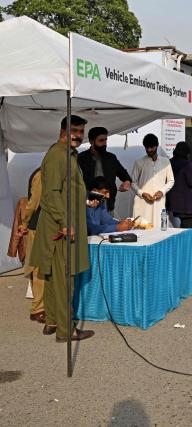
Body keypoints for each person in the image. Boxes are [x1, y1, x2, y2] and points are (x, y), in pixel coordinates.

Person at [29, 115, 94, 342]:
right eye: (74, 130)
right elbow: (51, 194)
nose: (78, 135)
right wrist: (65, 222)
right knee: (64, 279)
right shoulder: (58, 155)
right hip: (61, 227)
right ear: (63, 130)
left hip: (59, 225)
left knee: (52, 276)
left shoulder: (67, 154)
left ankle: (52, 321)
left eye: (80, 131)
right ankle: (66, 331)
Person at [77, 127, 132, 214]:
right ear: (91, 141)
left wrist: (127, 182)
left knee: (109, 226)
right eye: (101, 140)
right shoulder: (81, 158)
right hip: (88, 206)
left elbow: (124, 174)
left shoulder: (111, 158)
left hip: (108, 205)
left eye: (106, 140)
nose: (105, 143)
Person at [166, 141, 192, 258]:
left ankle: (186, 251)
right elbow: (191, 182)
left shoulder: (170, 162)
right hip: (187, 202)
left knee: (185, 227)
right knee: (188, 228)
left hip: (175, 201)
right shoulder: (186, 164)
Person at [17, 168, 45, 323]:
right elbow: (34, 202)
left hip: (44, 226)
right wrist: (25, 223)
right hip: (38, 226)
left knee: (41, 268)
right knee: (39, 269)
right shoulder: (42, 174)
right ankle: (38, 309)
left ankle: (41, 307)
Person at [131, 134, 175, 228]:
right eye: (147, 148)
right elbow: (133, 182)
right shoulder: (139, 162)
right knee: (141, 231)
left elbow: (171, 181)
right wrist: (142, 193)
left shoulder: (165, 162)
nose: (149, 150)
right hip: (142, 204)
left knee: (159, 230)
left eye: (151, 147)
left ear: (157, 145)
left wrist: (162, 192)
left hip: (159, 204)